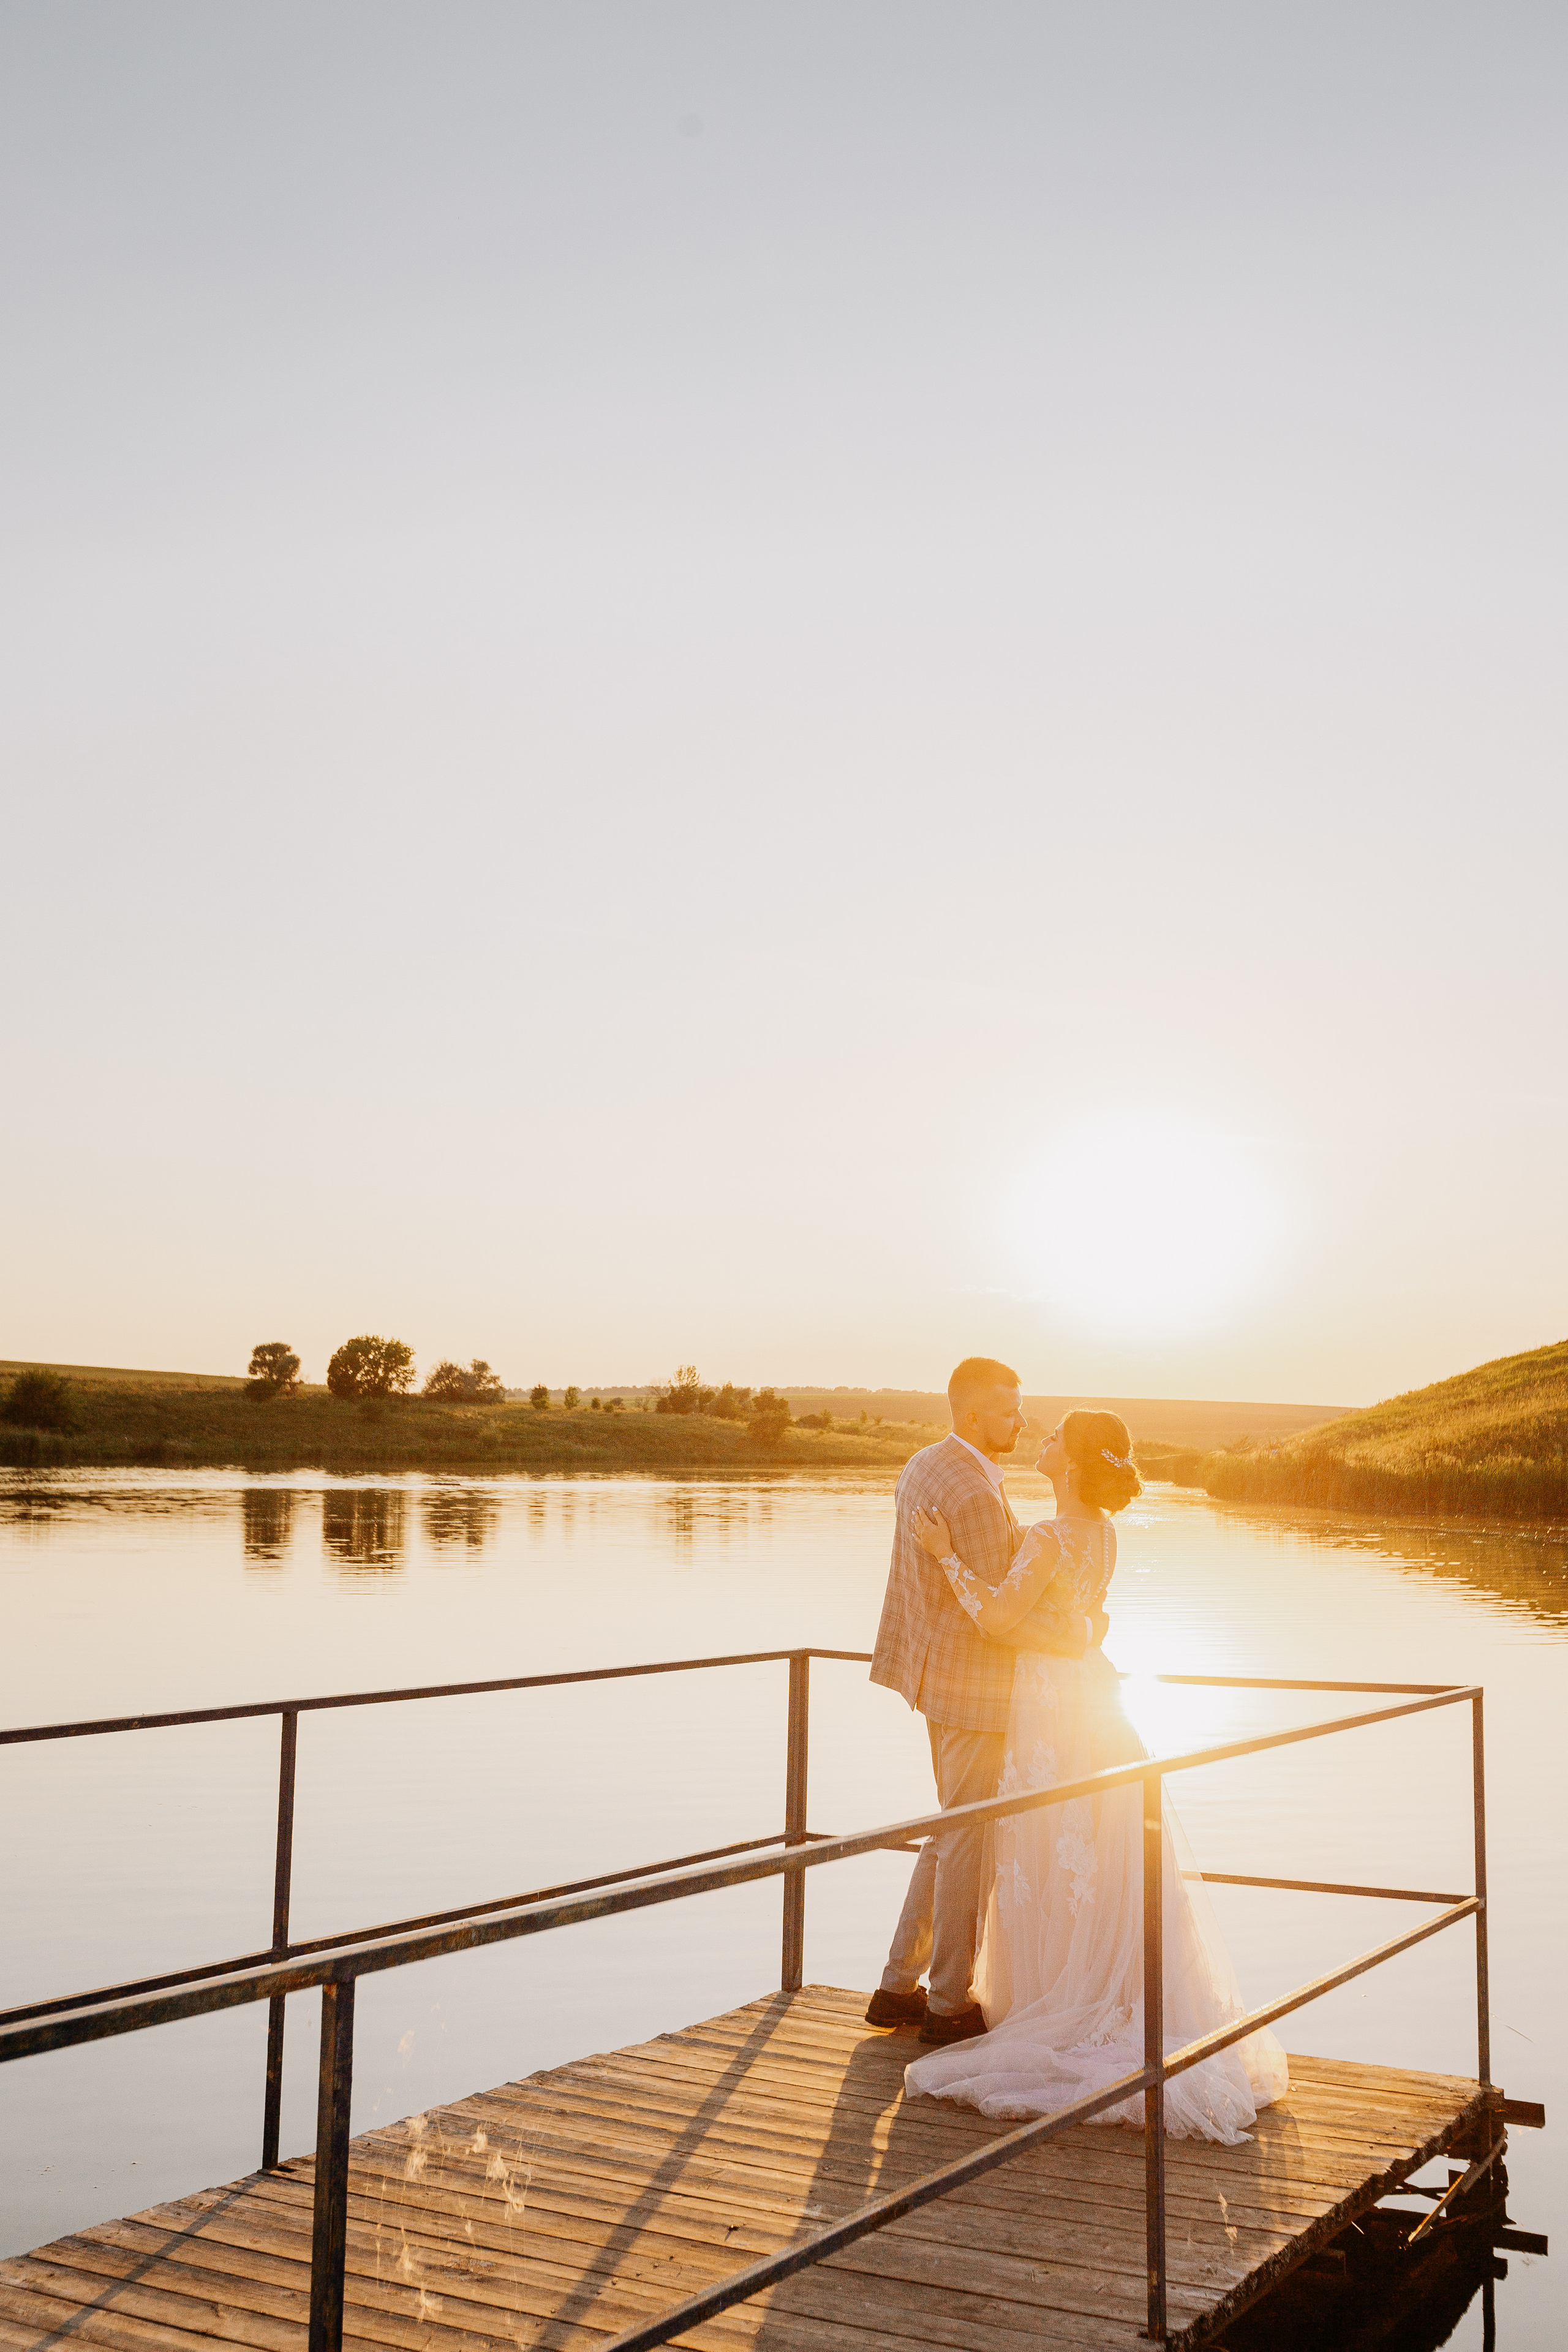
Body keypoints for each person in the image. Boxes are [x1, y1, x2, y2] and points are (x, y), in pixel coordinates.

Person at [900, 1407, 1289, 2143]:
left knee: (1045, 1845)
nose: (1041, 1442)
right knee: (1083, 1851)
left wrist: (945, 1554)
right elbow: (1083, 1618)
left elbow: (993, 1619)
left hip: (1047, 1710)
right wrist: (1080, 1630)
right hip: (1088, 1699)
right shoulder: (1102, 1535)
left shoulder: (1048, 1538)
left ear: (1072, 1464)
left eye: (1053, 1440)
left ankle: (1056, 2002)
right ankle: (1078, 1991)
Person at [867, 1359, 1093, 2046]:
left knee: (950, 1829)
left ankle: (896, 1986)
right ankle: (946, 2002)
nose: (1021, 1422)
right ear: (972, 1417)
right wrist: (1082, 1632)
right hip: (972, 1688)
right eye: (1008, 1411)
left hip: (933, 1676)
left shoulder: (925, 1463)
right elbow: (1001, 1611)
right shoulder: (969, 1489)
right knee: (968, 1839)